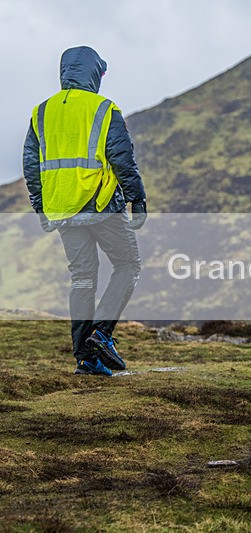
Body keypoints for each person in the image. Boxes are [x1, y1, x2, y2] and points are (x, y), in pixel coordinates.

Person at [22, 46, 147, 376]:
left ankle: (85, 359)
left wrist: (40, 208)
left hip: (62, 209)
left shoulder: (41, 112)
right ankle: (102, 335)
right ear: (94, 73)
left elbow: (31, 166)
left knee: (81, 280)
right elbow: (122, 159)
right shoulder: (104, 108)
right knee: (128, 264)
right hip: (103, 204)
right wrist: (138, 199)